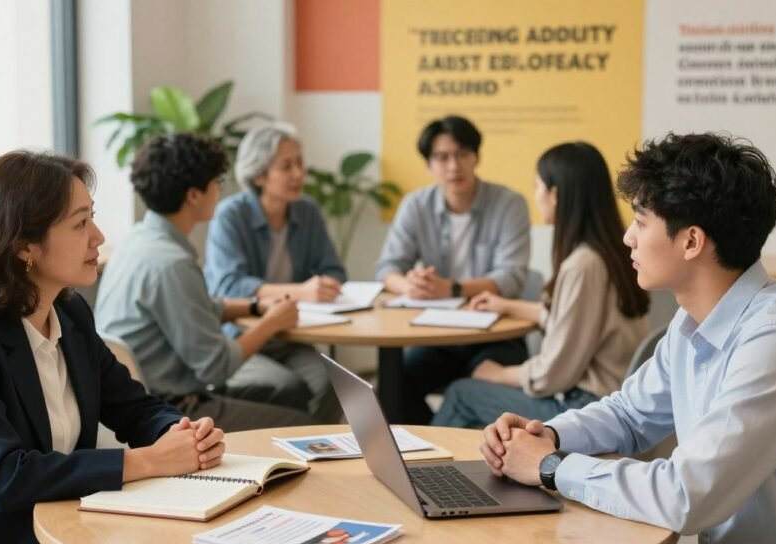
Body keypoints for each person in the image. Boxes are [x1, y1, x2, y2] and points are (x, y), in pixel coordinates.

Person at [481, 133, 776, 544]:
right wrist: (547, 435)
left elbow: (687, 496)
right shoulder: (692, 324)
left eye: (641, 221)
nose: (627, 237)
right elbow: (630, 416)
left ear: (691, 242)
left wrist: (550, 468)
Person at [0, 151, 227, 544]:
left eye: (93, 218)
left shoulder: (71, 316)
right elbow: (6, 476)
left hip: (61, 541)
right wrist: (144, 462)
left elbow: (135, 408)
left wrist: (180, 435)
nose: (99, 237)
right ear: (24, 246)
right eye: (79, 223)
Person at [96, 133, 322, 429]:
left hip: (132, 399)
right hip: (173, 409)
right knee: (301, 424)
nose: (220, 190)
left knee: (289, 390)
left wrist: (254, 307)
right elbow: (217, 367)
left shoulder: (137, 241)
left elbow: (196, 307)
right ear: (194, 195)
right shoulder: (173, 263)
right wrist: (272, 323)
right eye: (216, 183)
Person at [433, 142, 650, 429]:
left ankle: (415, 473)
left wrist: (499, 374)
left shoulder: (582, 265)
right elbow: (575, 322)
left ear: (555, 195)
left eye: (537, 186)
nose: (536, 196)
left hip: (586, 407)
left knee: (461, 394)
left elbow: (553, 374)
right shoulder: (609, 251)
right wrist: (508, 305)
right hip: (613, 399)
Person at [374, 115, 531, 423]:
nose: (453, 166)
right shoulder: (416, 205)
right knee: (391, 388)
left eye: (462, 154)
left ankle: (448, 444)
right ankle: (425, 452)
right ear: (428, 165)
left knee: (472, 390)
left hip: (496, 334)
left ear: (477, 157)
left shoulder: (509, 203)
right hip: (439, 335)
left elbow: (511, 277)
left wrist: (452, 289)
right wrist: (410, 285)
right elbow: (387, 267)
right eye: (442, 157)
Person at [205, 122, 343, 422]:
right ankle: (294, 447)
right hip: (243, 335)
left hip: (291, 336)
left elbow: (334, 269)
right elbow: (229, 284)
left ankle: (318, 451)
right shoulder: (231, 215)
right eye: (286, 166)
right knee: (288, 388)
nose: (299, 174)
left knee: (334, 383)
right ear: (258, 175)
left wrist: (327, 284)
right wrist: (301, 291)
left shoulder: (307, 211)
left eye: (300, 163)